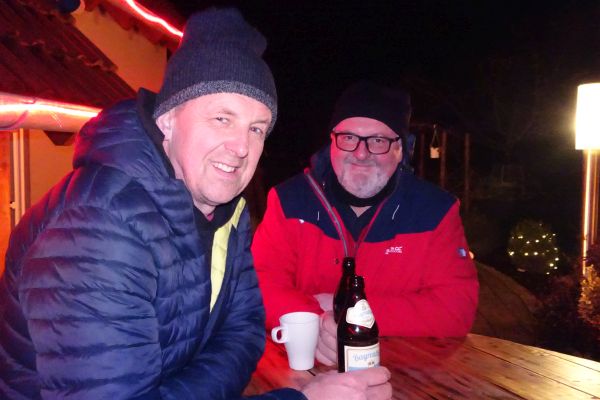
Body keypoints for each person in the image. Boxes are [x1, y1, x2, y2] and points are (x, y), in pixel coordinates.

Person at [0, 9, 391, 399]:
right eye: (222, 118)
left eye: (256, 128)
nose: (241, 147)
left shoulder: (226, 214)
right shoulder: (97, 227)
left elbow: (243, 333)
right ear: (167, 121)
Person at [252, 81, 479, 366]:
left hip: (403, 369)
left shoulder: (435, 211)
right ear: (332, 142)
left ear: (400, 149)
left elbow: (456, 309)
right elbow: (258, 284)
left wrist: (348, 314)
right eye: (348, 138)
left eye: (378, 141)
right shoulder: (289, 201)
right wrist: (314, 321)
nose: (361, 153)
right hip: (304, 365)